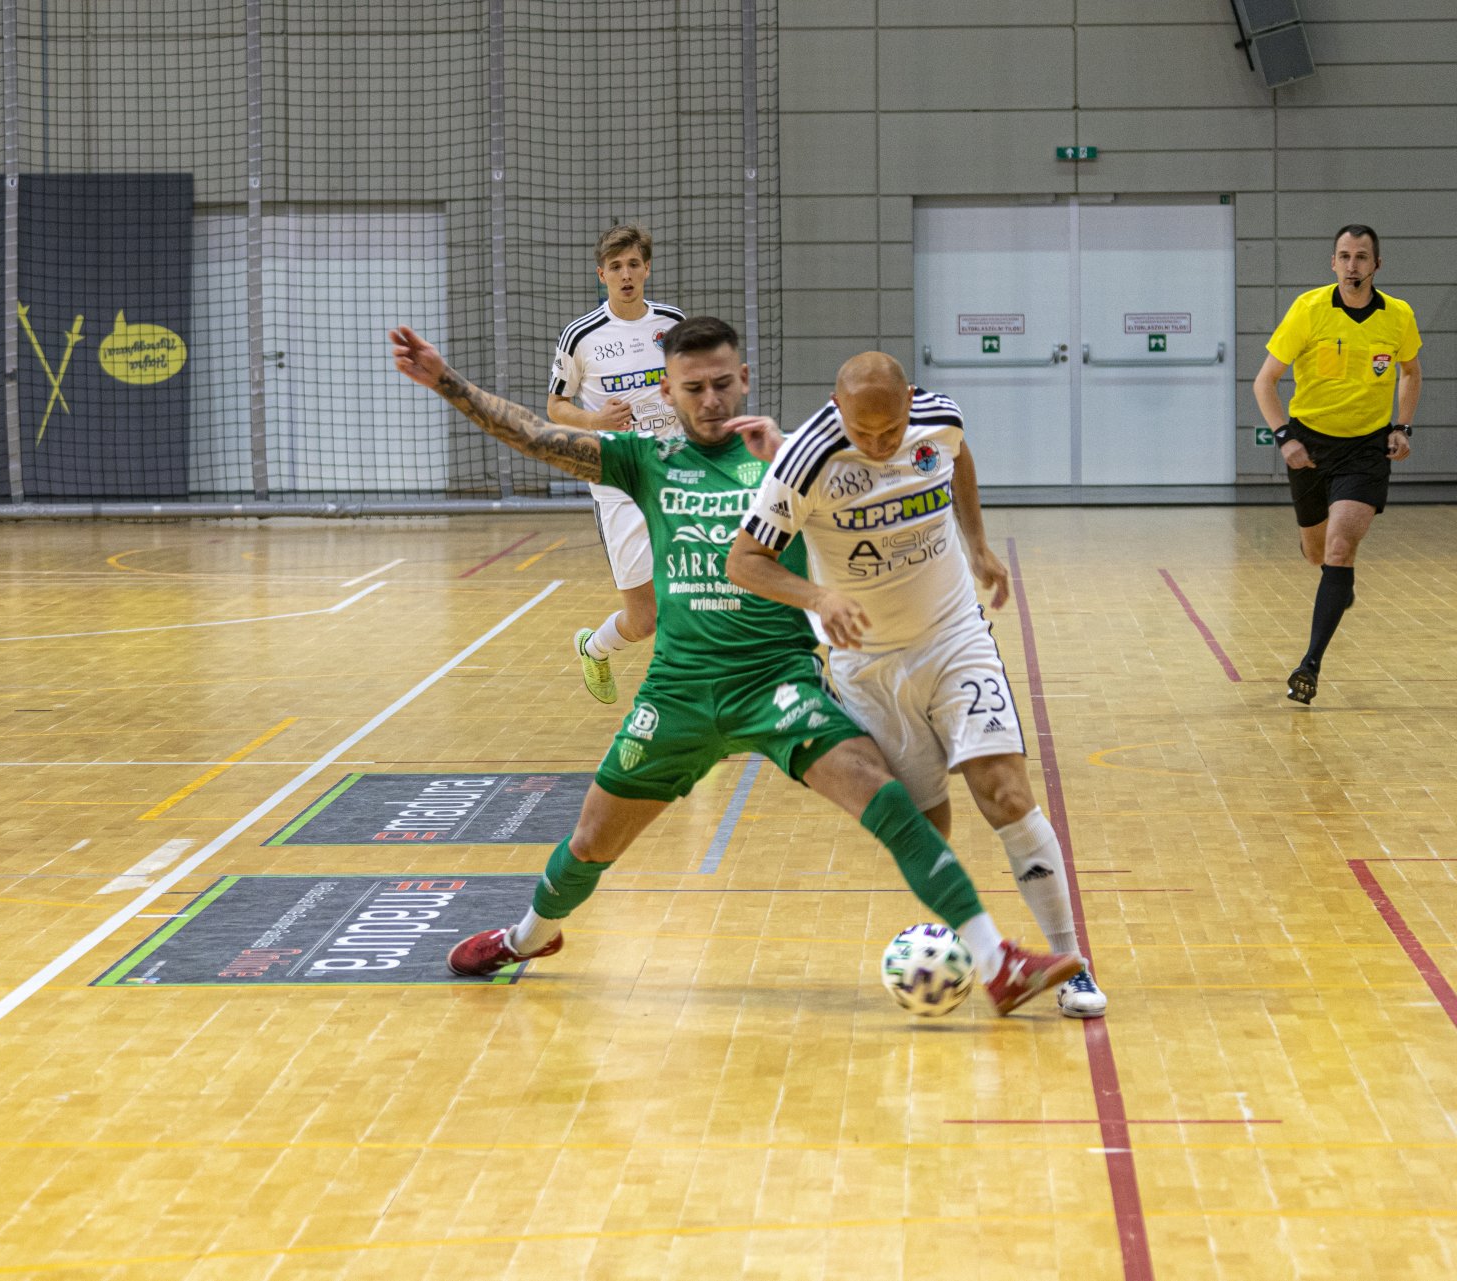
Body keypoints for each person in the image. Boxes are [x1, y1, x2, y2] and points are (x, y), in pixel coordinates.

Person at [391, 317, 1082, 1014]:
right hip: (679, 691)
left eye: (724, 383)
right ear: (669, 390)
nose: (712, 399)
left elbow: (909, 462)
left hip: (776, 682)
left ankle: (998, 963)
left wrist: (968, 546)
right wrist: (446, 381)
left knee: (888, 800)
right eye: (694, 388)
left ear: (744, 379)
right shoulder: (646, 457)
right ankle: (530, 935)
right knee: (591, 840)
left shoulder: (784, 461)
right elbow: (537, 437)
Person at [726, 352, 1107, 1018]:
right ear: (836, 409)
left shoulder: (939, 420)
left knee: (1006, 791)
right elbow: (744, 562)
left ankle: (1071, 961)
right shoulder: (805, 459)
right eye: (864, 433)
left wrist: (977, 542)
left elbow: (957, 457)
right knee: (930, 822)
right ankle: (988, 956)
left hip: (955, 636)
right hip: (868, 666)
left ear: (911, 400)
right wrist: (819, 596)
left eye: (891, 429)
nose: (879, 446)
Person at [1252, 223, 1423, 705]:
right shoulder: (1308, 310)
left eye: (1362, 257)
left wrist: (1401, 426)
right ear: (1333, 264)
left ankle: (1309, 665)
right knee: (1317, 554)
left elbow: (1411, 372)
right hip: (1310, 445)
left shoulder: (1398, 316)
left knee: (1341, 546)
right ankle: (1336, 584)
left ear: (1376, 265)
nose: (1353, 265)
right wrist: (1284, 436)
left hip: (1366, 449)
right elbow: (1264, 381)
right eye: (1345, 256)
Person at [546, 223, 687, 704]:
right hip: (618, 481)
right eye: (615, 267)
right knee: (644, 620)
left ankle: (688, 696)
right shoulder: (581, 336)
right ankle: (594, 646)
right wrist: (594, 418)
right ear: (601, 274)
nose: (625, 275)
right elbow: (554, 407)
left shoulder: (672, 322)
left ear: (646, 269)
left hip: (675, 470)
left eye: (633, 265)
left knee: (697, 591)